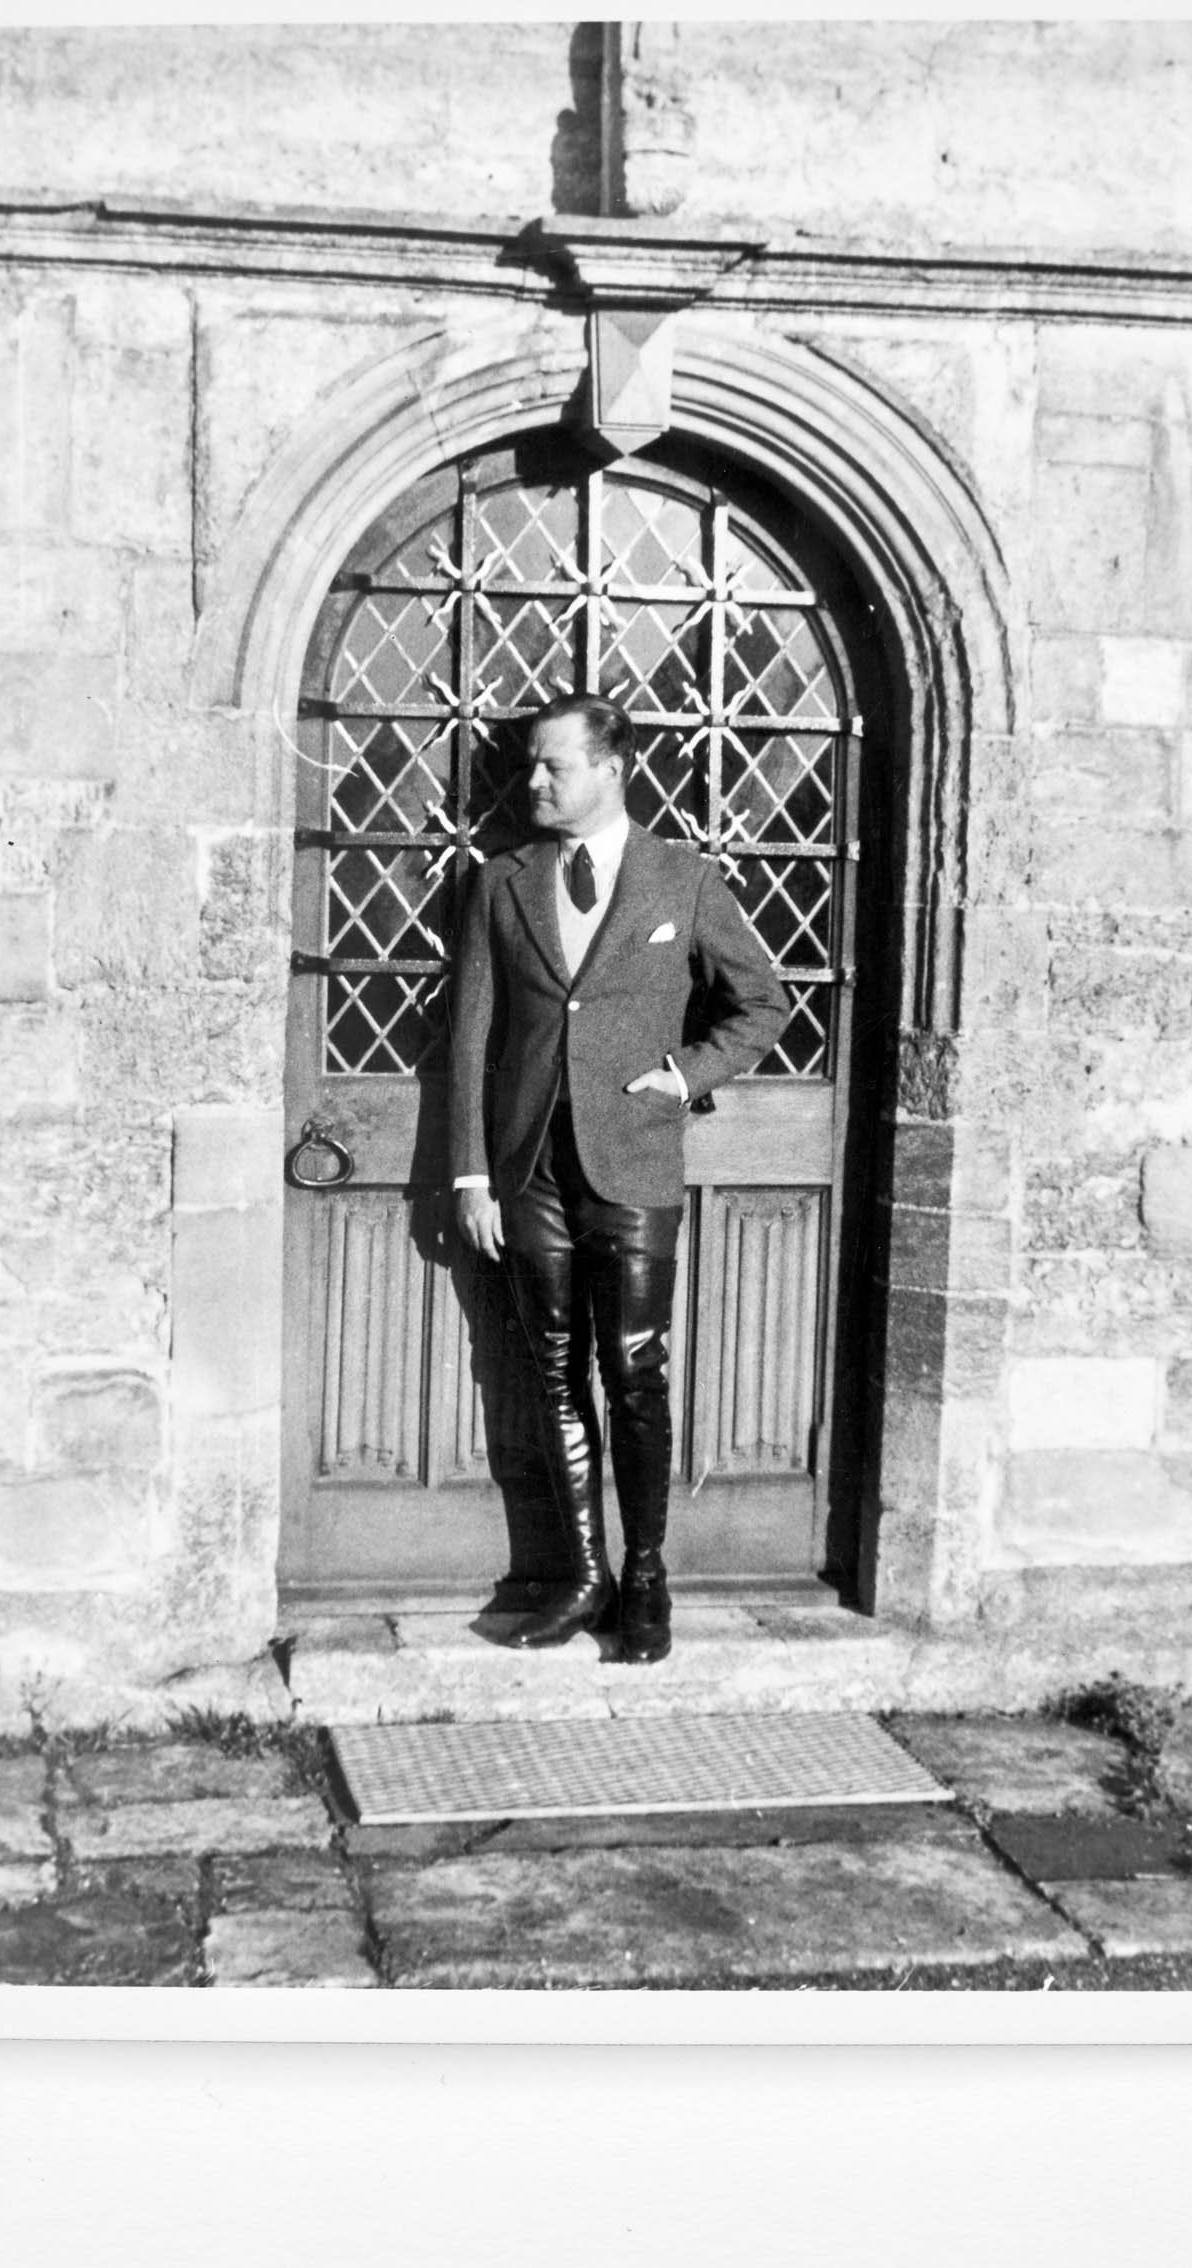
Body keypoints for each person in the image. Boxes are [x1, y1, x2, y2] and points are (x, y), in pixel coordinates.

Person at [449, 695, 790, 1661]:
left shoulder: (682, 880)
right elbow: (472, 1032)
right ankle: (583, 1575)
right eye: (530, 766)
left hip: (633, 1162)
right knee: (552, 1371)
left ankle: (646, 1578)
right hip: (529, 1172)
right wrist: (472, 1175)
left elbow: (761, 1003)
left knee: (635, 1371)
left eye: (555, 767)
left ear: (611, 768)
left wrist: (685, 1075)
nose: (535, 784)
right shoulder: (501, 882)